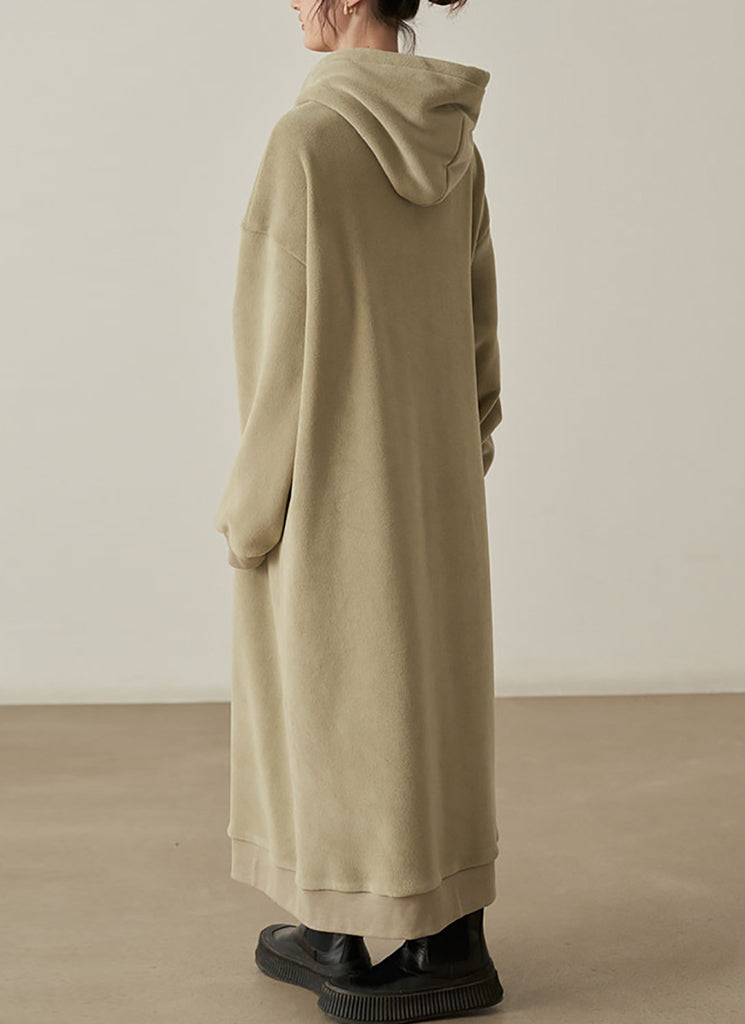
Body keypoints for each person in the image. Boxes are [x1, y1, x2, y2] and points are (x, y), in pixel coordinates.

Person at [212, 0, 504, 1019]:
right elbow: (479, 327)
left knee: (330, 693)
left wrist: (252, 508)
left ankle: (335, 933)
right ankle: (452, 937)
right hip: (434, 486)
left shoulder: (306, 141)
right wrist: (458, 457)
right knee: (430, 694)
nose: (288, 2)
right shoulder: (456, 147)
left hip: (330, 484)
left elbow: (277, 355)